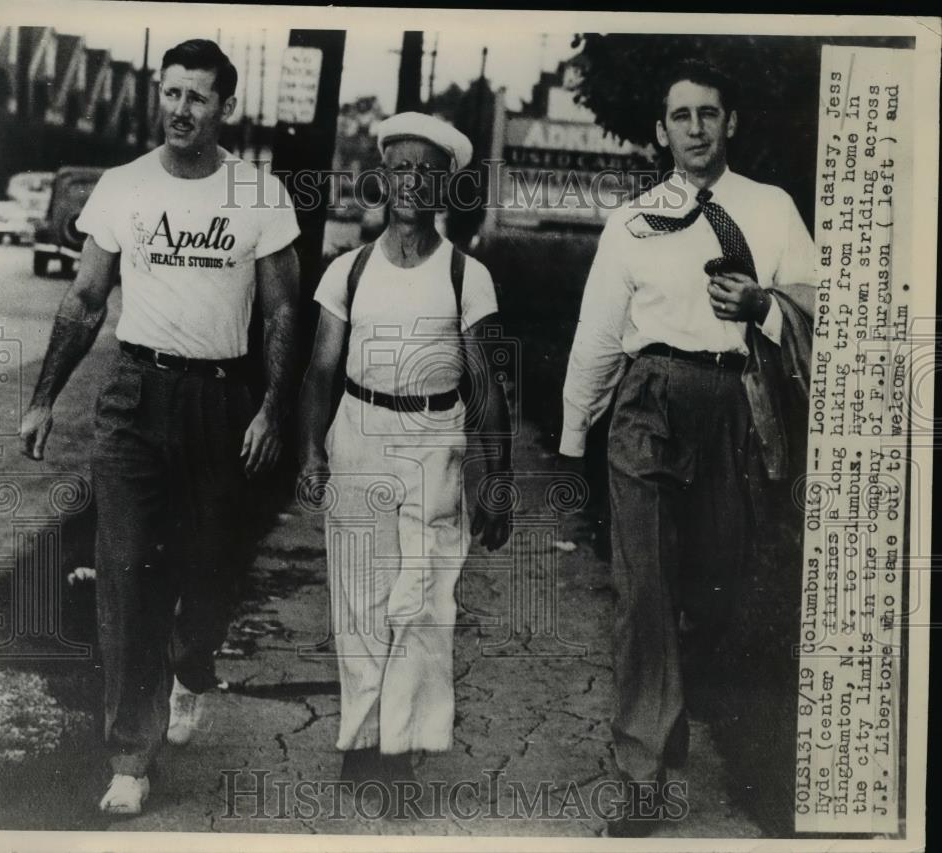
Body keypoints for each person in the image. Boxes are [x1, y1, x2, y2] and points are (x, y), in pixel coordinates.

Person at [18, 39, 300, 815]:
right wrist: (43, 398)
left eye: (197, 96)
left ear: (225, 107)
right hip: (135, 396)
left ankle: (191, 660)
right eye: (171, 92)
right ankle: (130, 756)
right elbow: (83, 301)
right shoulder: (123, 187)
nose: (180, 109)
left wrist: (274, 409)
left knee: (213, 566)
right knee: (128, 570)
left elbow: (282, 312)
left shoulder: (260, 194)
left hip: (221, 401)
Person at [559, 59, 816, 834]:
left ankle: (675, 703)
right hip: (650, 401)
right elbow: (599, 337)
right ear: (660, 130)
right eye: (681, 116)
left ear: (729, 123)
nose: (696, 128)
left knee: (719, 583)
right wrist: (574, 436)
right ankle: (640, 771)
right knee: (643, 588)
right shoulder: (633, 221)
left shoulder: (769, 209)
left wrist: (763, 302)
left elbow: (821, 306)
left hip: (736, 404)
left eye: (709, 114)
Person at [297, 113, 512, 804]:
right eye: (401, 168)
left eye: (428, 169)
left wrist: (497, 476)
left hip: (433, 443)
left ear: (446, 184)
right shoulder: (347, 270)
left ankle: (399, 749)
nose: (413, 181)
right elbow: (320, 370)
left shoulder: (465, 274)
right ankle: (362, 745)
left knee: (421, 600)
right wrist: (312, 452)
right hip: (358, 433)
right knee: (360, 599)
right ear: (382, 178)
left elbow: (485, 382)